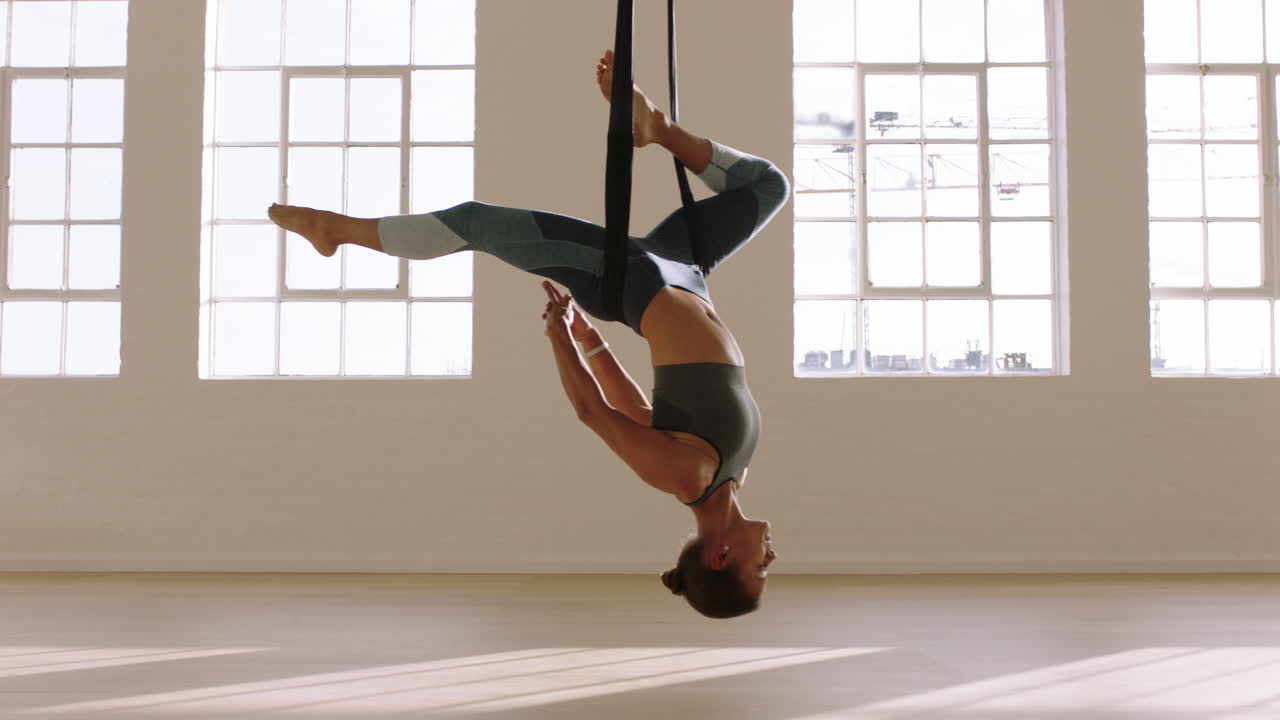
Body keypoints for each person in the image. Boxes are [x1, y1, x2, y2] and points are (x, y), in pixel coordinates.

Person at [268, 51, 784, 618]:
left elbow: (600, 414)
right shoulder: (730, 474)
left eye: (758, 567)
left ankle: (337, 231)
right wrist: (594, 345)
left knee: (476, 222)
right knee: (767, 186)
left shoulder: (687, 478)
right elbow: (640, 409)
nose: (771, 555)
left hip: (627, 279)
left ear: (720, 557)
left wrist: (564, 337)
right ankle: (657, 129)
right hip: (682, 269)